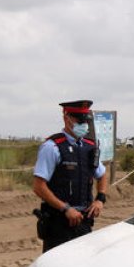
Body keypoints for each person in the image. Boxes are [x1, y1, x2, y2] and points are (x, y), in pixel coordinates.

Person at [32, 100, 108, 252]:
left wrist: (100, 199)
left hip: (83, 222)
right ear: (66, 118)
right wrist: (66, 208)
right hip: (59, 223)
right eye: (79, 120)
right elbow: (39, 187)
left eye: (85, 120)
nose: (83, 124)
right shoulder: (52, 147)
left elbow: (102, 174)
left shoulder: (89, 147)